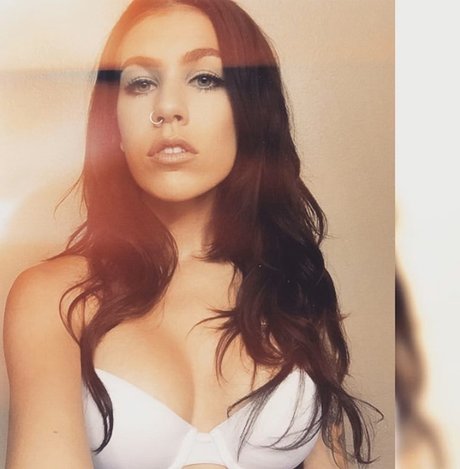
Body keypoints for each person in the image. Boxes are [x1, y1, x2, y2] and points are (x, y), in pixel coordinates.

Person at [3, 0, 379, 467]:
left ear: (249, 110)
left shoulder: (290, 287)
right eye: (141, 83)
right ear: (114, 124)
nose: (167, 108)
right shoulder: (57, 298)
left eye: (205, 78)